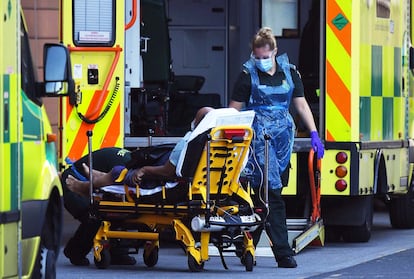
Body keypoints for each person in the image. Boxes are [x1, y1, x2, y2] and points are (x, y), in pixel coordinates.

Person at [62, 107, 214, 266]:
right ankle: (75, 252)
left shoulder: (194, 144)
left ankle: (115, 252)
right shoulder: (202, 145)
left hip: (111, 174)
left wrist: (145, 171)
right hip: (70, 180)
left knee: (116, 203)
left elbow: (163, 172)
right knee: (95, 213)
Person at [229, 27, 324, 268]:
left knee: (269, 195)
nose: (260, 61)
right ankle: (283, 253)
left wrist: (314, 133)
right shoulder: (247, 74)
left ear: (275, 52)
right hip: (258, 139)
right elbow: (233, 110)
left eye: (265, 56)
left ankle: (246, 246)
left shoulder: (290, 73)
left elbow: (301, 105)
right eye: (257, 56)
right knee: (270, 195)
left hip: (283, 140)